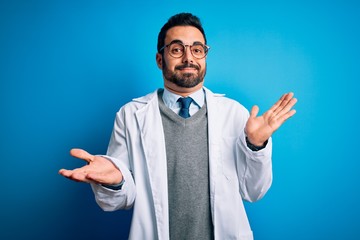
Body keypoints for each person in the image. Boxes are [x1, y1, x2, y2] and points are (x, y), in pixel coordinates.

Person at [59, 12, 297, 240]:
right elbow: (120, 199)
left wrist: (256, 146)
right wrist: (116, 181)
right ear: (160, 59)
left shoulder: (235, 114)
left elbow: (253, 192)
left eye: (197, 49)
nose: (188, 58)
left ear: (205, 56)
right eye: (176, 49)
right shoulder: (130, 115)